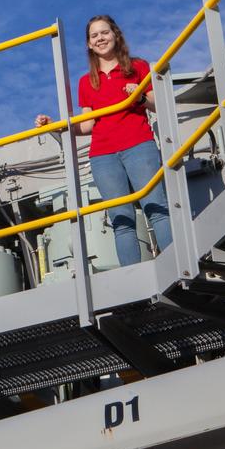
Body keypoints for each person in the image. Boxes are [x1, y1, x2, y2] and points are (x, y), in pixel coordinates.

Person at [35, 15, 172, 266]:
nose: (100, 38)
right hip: (103, 156)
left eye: (104, 33)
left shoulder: (138, 66)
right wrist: (53, 126)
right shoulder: (86, 82)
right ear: (88, 44)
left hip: (139, 145)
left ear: (115, 35)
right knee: (121, 220)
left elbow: (158, 105)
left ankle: (176, 262)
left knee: (156, 208)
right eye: (94, 35)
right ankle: (134, 276)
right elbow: (86, 125)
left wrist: (140, 96)